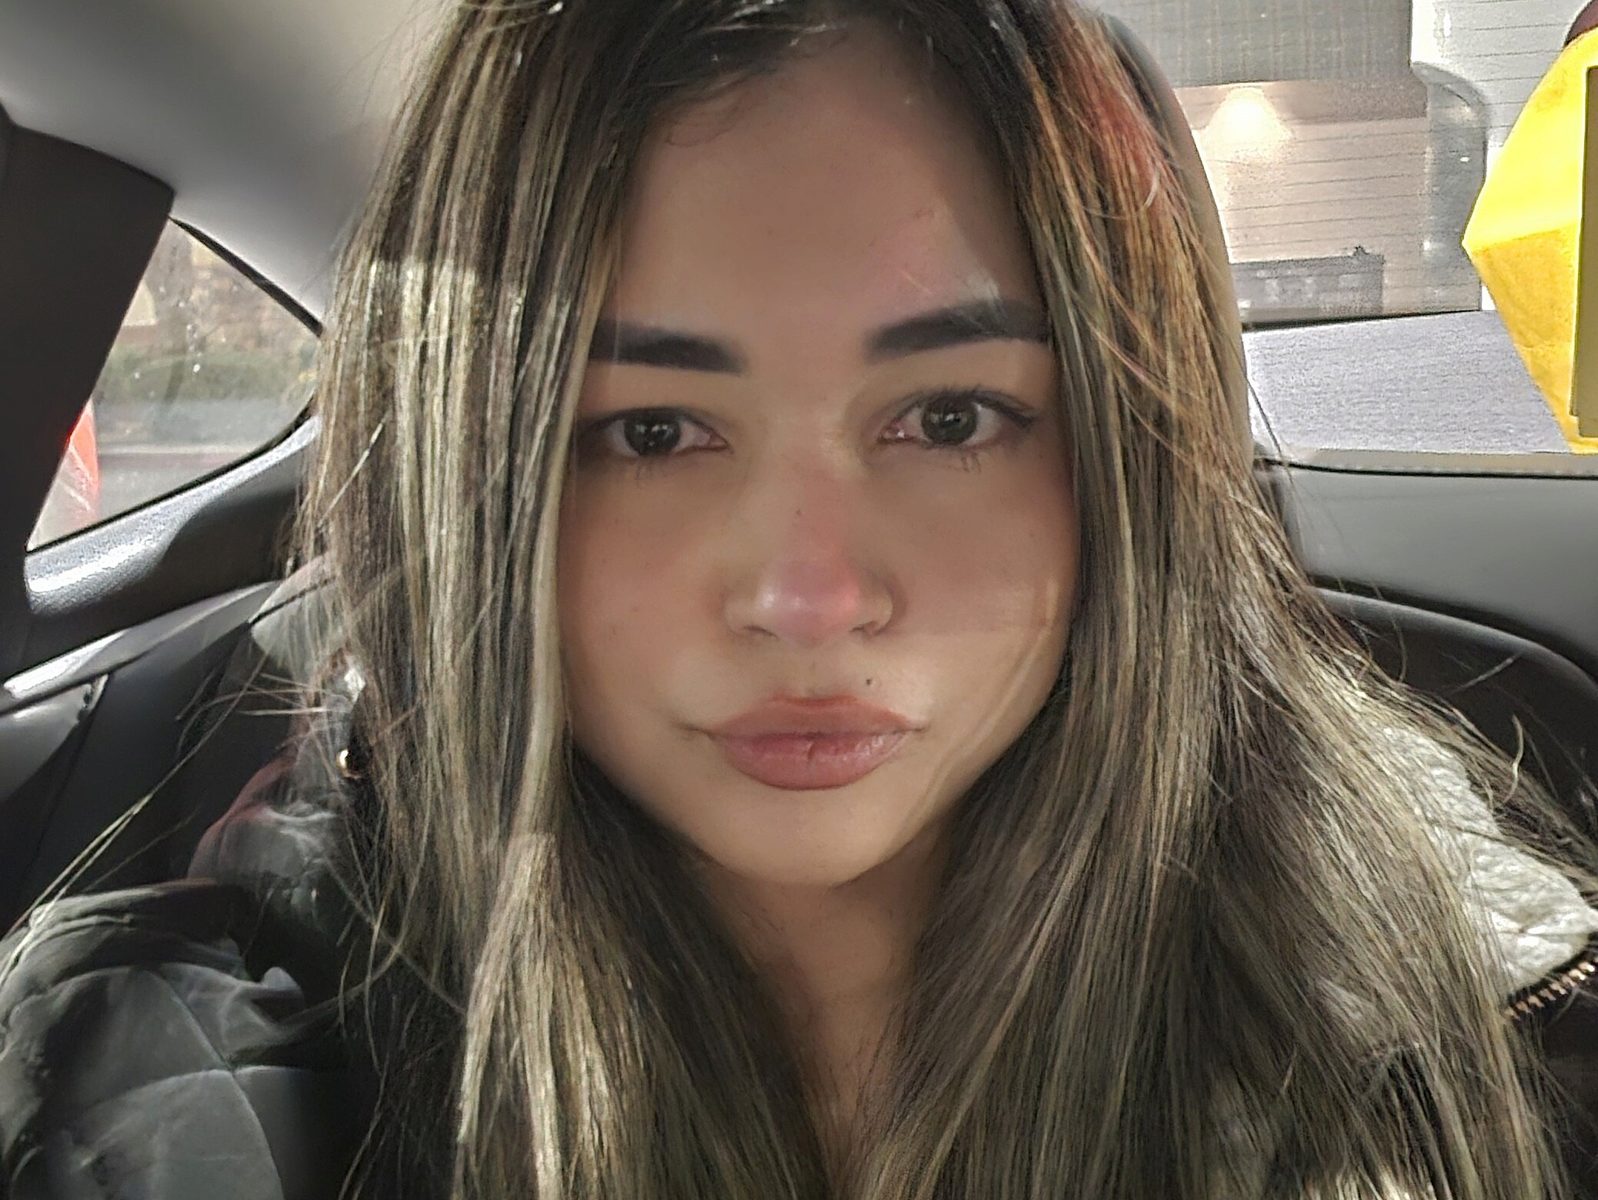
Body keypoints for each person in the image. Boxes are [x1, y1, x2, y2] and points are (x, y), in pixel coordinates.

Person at [6, 1, 1598, 1197]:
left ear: (1134, 461)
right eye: (648, 433)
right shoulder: (177, 1082)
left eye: (951, 419)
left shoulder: (1488, 1021)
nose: (807, 597)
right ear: (472, 484)